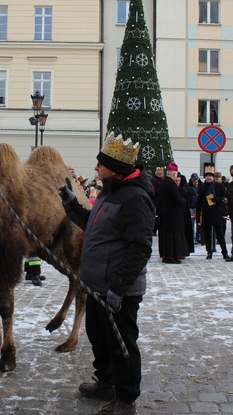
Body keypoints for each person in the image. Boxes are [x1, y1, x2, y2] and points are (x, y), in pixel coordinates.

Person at [60, 132, 154, 415]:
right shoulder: (110, 191)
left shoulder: (135, 198)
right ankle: (106, 382)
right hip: (98, 286)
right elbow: (95, 224)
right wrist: (71, 206)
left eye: (101, 163)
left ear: (115, 167)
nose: (96, 167)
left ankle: (126, 400)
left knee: (122, 344)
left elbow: (140, 248)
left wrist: (119, 288)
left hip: (118, 289)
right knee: (99, 337)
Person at [158, 162, 189, 264]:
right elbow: (177, 199)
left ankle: (168, 256)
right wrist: (184, 201)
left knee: (168, 236)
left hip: (167, 214)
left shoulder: (164, 182)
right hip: (173, 215)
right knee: (173, 236)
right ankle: (171, 256)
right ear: (174, 174)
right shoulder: (171, 183)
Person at [194, 166, 228, 260]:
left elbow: (225, 198)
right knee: (207, 235)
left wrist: (217, 199)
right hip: (206, 213)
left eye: (210, 176)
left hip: (217, 212)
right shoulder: (202, 188)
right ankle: (209, 252)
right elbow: (199, 203)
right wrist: (198, 217)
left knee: (220, 235)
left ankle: (224, 252)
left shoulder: (219, 186)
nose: (209, 177)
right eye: (207, 176)